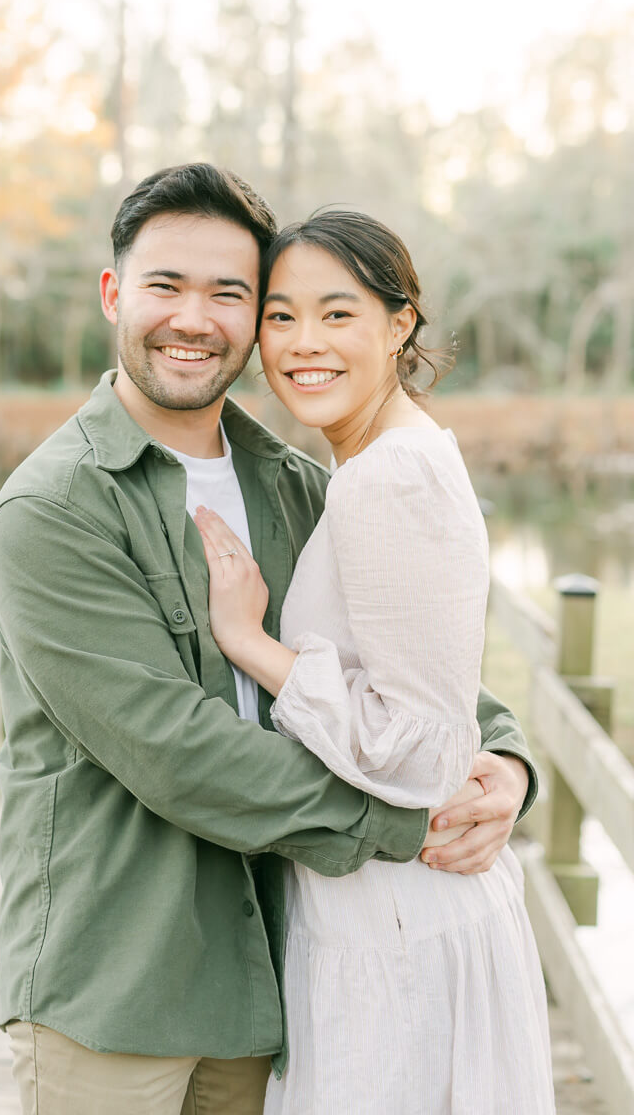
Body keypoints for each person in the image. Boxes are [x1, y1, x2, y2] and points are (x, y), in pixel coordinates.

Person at [0, 165, 539, 1115]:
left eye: (230, 294)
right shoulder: (54, 509)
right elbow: (177, 751)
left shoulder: (291, 477)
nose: (194, 318)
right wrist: (407, 820)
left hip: (272, 978)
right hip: (120, 987)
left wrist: (504, 757)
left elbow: (398, 654)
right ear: (115, 293)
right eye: (166, 286)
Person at [194, 208, 554, 1114]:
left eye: (337, 313)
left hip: (399, 925)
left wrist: (255, 648)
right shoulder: (377, 463)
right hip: (377, 915)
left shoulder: (388, 477)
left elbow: (423, 751)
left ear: (401, 325)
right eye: (279, 316)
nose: (302, 343)